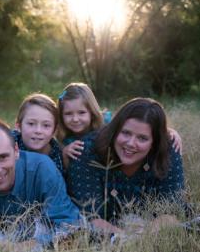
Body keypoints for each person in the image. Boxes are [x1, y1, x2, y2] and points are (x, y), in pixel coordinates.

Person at [0, 119, 81, 246]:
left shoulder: (43, 169)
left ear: (16, 151)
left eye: (3, 157)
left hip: (34, 234)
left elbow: (70, 225)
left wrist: (25, 247)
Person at [66, 97, 185, 226]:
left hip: (151, 230)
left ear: (154, 142)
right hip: (108, 236)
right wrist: (122, 238)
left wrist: (142, 239)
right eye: (126, 133)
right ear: (115, 130)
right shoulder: (86, 150)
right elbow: (90, 216)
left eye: (142, 138)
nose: (131, 144)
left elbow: (171, 212)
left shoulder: (167, 151)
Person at [12, 93, 64, 175]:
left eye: (46, 125)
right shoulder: (8, 143)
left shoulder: (58, 157)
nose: (38, 131)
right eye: (31, 124)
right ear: (18, 126)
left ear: (54, 131)